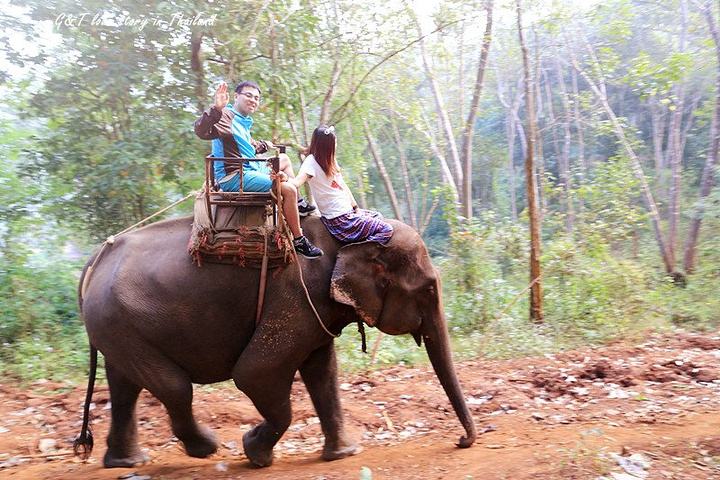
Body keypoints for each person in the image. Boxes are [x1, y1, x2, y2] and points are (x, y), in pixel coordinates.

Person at [194, 81, 322, 259]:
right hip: (235, 176)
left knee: (283, 159)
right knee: (288, 188)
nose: (253, 100)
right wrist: (216, 107)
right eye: (248, 95)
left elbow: (245, 146)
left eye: (256, 98)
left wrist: (264, 145)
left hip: (250, 167)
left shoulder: (242, 120)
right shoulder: (223, 116)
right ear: (236, 96)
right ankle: (299, 240)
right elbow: (201, 130)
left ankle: (297, 204)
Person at [288, 125, 393, 245]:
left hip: (347, 212)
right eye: (334, 143)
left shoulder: (330, 160)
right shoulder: (311, 163)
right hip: (339, 219)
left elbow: (342, 185)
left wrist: (356, 208)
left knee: (377, 216)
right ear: (326, 146)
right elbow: (296, 183)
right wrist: (284, 178)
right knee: (386, 230)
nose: (336, 145)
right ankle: (359, 253)